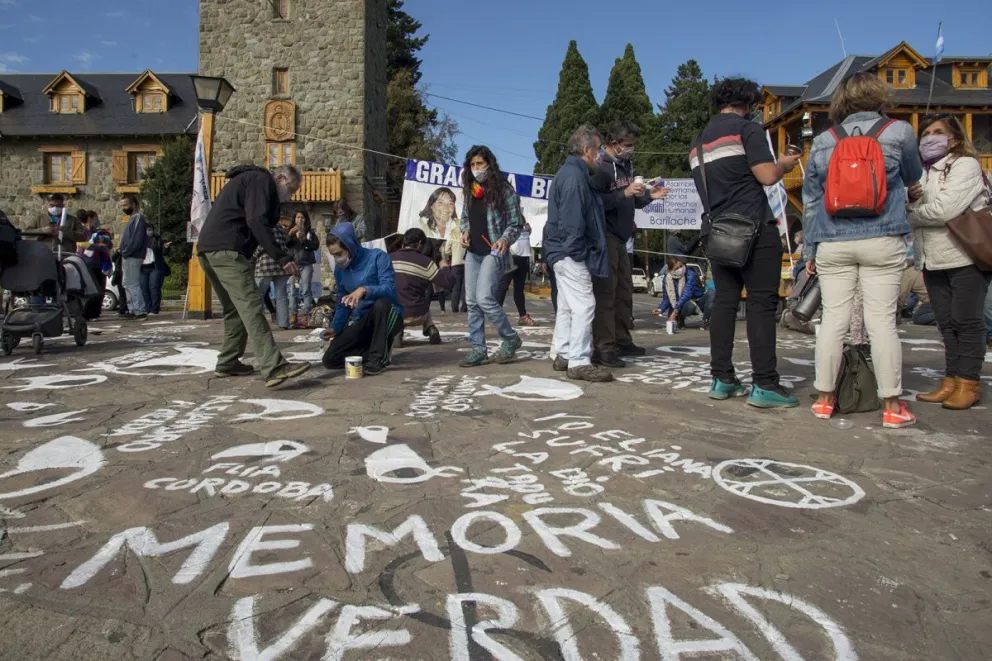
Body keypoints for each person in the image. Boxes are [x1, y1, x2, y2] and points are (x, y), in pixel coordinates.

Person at [803, 73, 922, 426]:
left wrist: (811, 249)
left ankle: (825, 399)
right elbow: (913, 175)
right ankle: (892, 406)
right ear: (880, 96)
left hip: (833, 240)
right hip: (883, 238)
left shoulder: (825, 140)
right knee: (881, 322)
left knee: (833, 322)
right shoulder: (899, 132)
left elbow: (812, 200)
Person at [690, 77, 803, 408]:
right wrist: (784, 163)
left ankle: (722, 378)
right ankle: (765, 383)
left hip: (717, 232)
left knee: (725, 302)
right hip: (754, 227)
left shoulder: (697, 143)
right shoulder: (746, 130)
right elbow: (766, 176)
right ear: (749, 104)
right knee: (761, 304)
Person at [197, 164, 310, 387]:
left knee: (234, 310)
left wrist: (284, 248)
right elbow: (256, 222)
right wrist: (282, 259)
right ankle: (274, 366)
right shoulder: (261, 181)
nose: (290, 195)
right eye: (291, 188)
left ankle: (228, 361)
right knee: (250, 306)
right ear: (280, 178)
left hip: (209, 249)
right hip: (227, 249)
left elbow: (263, 227)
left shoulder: (250, 183)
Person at [908, 115, 991, 410]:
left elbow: (945, 210)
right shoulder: (923, 171)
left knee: (966, 321)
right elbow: (919, 205)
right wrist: (911, 204)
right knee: (946, 323)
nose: (930, 137)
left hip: (964, 254)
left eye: (938, 132)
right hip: (932, 257)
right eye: (926, 133)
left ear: (954, 138)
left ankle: (969, 383)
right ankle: (951, 380)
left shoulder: (964, 164)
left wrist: (910, 213)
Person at [590, 120, 669, 367]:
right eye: (628, 145)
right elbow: (595, 202)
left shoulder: (625, 165)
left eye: (633, 145)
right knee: (607, 293)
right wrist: (624, 193)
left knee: (624, 292)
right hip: (606, 235)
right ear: (614, 143)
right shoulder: (600, 167)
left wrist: (648, 197)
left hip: (623, 237)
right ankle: (604, 346)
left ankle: (622, 339)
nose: (631, 149)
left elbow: (629, 201)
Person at [543, 125, 613, 383]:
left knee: (567, 306)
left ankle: (563, 354)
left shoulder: (571, 173)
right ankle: (579, 361)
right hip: (569, 252)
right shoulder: (574, 177)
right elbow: (572, 223)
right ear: (587, 150)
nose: (600, 156)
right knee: (584, 305)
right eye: (598, 150)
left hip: (560, 251)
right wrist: (579, 252)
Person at [457, 145, 524, 367]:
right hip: (473, 251)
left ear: (490, 165)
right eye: (473, 164)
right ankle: (478, 349)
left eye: (480, 164)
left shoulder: (504, 191)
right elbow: (465, 217)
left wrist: (505, 239)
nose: (476, 168)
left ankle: (510, 337)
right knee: (472, 302)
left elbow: (516, 223)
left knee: (484, 297)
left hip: (494, 252)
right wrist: (464, 231)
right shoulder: (469, 190)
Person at [321, 222, 402, 374]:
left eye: (339, 254)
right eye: (334, 255)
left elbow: (390, 289)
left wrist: (365, 290)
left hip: (387, 315)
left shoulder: (378, 257)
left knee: (381, 303)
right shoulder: (340, 270)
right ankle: (372, 350)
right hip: (363, 320)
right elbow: (342, 303)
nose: (337, 259)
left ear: (350, 246)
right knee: (330, 359)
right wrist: (335, 328)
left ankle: (377, 358)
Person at [391, 228, 455, 346]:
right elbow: (449, 282)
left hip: (395, 313)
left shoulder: (389, 259)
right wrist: (444, 265)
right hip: (418, 313)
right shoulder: (426, 262)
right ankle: (430, 327)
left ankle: (397, 331)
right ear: (420, 244)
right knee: (423, 303)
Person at [652, 240, 713, 329]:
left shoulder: (690, 274)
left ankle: (705, 320)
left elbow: (686, 294)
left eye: (680, 265)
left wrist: (675, 312)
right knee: (683, 307)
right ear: (670, 268)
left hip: (695, 301)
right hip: (678, 305)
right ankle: (680, 320)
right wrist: (660, 309)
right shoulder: (667, 278)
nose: (680, 269)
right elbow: (666, 298)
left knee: (711, 294)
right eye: (676, 267)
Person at [255, 216, 293, 330]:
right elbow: (286, 243)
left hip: (265, 264)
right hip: (281, 265)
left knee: (258, 295)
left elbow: (261, 246)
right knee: (281, 296)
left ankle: (257, 324)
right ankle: (283, 323)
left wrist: (253, 256)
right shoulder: (280, 228)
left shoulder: (263, 228)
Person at [496, 221, 536, 326]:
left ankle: (523, 316)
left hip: (524, 256)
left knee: (519, 289)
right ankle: (495, 314)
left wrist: (528, 229)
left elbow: (527, 234)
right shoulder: (509, 220)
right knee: (503, 286)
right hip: (511, 256)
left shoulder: (524, 223)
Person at [22, 193, 87, 255]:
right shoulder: (39, 218)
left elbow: (82, 237)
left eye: (58, 206)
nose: (55, 208)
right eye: (52, 205)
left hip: (65, 254)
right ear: (48, 205)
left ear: (63, 206)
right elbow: (27, 234)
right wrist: (43, 231)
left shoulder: (73, 220)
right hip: (43, 254)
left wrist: (65, 230)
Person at [119, 194, 149, 320]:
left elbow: (136, 240)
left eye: (126, 205)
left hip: (133, 255)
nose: (123, 208)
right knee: (126, 283)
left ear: (134, 205)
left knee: (132, 283)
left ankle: (139, 310)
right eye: (122, 205)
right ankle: (132, 308)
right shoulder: (132, 219)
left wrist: (125, 251)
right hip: (129, 255)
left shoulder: (138, 219)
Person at [287, 210, 319, 327]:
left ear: (305, 219)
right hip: (293, 264)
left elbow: (315, 246)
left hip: (306, 264)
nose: (300, 219)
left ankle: (307, 314)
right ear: (294, 219)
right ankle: (293, 314)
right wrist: (290, 235)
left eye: (302, 217)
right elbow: (285, 244)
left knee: (306, 289)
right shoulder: (289, 231)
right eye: (298, 217)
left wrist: (305, 240)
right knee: (292, 291)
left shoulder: (310, 232)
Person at [137, 226, 171, 316]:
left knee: (154, 288)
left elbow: (164, 252)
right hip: (142, 267)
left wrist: (166, 247)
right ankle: (147, 309)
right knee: (144, 289)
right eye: (147, 230)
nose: (149, 232)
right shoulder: (138, 240)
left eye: (150, 229)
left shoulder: (157, 239)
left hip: (155, 267)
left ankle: (154, 309)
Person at [442, 216, 467, 313]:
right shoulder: (467, 234)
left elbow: (447, 250)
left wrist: (453, 252)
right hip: (467, 263)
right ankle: (464, 307)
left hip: (455, 264)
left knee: (456, 288)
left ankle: (454, 308)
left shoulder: (452, 235)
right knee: (466, 288)